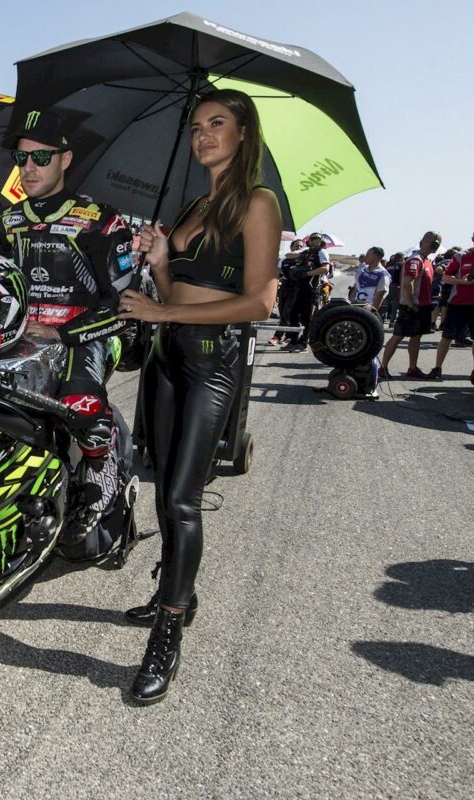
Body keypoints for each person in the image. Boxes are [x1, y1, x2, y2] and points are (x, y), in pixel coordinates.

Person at [119, 89, 280, 705]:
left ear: (243, 133)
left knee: (185, 498)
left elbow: (261, 303)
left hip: (214, 363)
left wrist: (163, 306)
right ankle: (175, 595)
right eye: (197, 126)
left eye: (218, 124)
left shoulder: (256, 203)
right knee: (162, 486)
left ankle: (167, 633)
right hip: (167, 355)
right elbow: (173, 288)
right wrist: (160, 262)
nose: (203, 135)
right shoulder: (194, 202)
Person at [0, 108, 134, 544]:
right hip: (18, 337)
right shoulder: (3, 221)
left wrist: (62, 333)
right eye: (21, 159)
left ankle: (101, 473)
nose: (28, 168)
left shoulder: (103, 221)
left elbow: (122, 305)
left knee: (81, 404)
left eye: (41, 158)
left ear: (65, 159)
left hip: (89, 334)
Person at [429, 227, 474, 381]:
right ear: (472, 239)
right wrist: (462, 281)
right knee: (447, 336)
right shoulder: (460, 256)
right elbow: (445, 277)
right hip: (458, 303)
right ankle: (437, 368)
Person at [379, 231, 441, 379]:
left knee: (416, 336)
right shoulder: (416, 259)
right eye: (434, 241)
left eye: (438, 242)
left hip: (423, 306)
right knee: (398, 336)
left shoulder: (427, 260)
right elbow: (408, 282)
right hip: (412, 306)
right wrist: (411, 303)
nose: (436, 245)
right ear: (424, 242)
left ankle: (412, 368)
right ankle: (383, 367)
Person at [283, 232, 331, 351]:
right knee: (293, 314)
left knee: (306, 317)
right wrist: (300, 256)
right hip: (298, 286)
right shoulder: (305, 251)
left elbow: (325, 268)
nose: (315, 241)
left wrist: (307, 273)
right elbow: (288, 255)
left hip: (312, 288)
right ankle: (293, 341)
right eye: (313, 239)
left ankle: (303, 342)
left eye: (317, 239)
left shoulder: (322, 252)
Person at [271, 239, 303, 346]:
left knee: (288, 313)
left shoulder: (303, 259)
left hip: (297, 288)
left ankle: (277, 336)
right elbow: (276, 275)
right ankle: (289, 336)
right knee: (283, 312)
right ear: (291, 247)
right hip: (284, 287)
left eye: (300, 247)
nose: (298, 248)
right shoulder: (284, 259)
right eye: (296, 246)